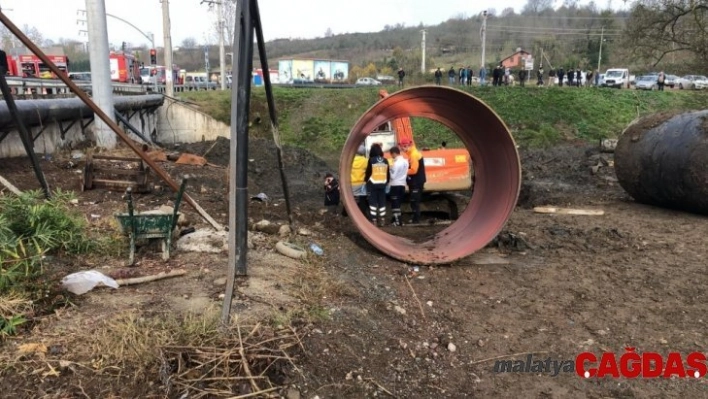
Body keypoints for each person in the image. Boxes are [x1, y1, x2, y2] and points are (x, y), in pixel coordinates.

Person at [398, 138, 426, 224]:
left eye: (403, 147)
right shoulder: (412, 154)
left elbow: (414, 170)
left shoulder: (414, 155)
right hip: (415, 181)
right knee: (414, 200)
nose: (402, 149)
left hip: (416, 182)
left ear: (406, 146)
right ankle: (415, 218)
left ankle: (416, 220)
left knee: (414, 201)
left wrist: (403, 171)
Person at [364, 143, 389, 226]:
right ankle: (382, 220)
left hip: (372, 184)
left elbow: (368, 172)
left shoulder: (371, 160)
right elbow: (387, 174)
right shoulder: (385, 160)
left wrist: (365, 180)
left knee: (373, 203)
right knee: (382, 202)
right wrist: (386, 182)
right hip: (382, 184)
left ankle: (374, 220)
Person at [388, 146, 409, 226]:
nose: (391, 156)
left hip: (395, 184)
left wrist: (389, 170)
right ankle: (397, 220)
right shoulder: (405, 162)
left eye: (391, 155)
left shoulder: (396, 163)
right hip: (402, 184)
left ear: (394, 153)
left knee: (395, 204)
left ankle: (397, 221)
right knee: (398, 203)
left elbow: (393, 176)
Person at [351, 144, 369, 217]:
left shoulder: (350, 161)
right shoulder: (366, 161)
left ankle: (352, 213)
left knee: (353, 200)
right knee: (362, 199)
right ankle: (363, 213)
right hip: (362, 183)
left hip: (352, 183)